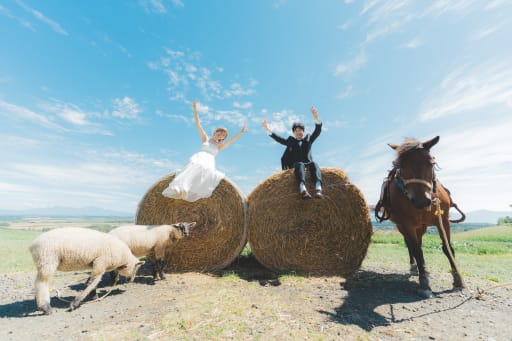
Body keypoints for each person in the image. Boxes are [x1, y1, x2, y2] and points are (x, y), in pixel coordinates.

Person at [162, 100, 247, 201]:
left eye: (223, 134)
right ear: (215, 132)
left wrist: (241, 132)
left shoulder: (220, 146)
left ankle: (190, 190)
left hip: (208, 161)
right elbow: (198, 124)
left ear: (223, 138)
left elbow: (231, 141)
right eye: (219, 132)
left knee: (203, 172)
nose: (220, 134)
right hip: (199, 157)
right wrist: (195, 109)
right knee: (192, 168)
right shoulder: (205, 139)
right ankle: (181, 188)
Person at [262, 106, 323, 199]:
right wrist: (267, 129)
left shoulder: (309, 139)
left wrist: (316, 117)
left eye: (300, 130)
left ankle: (318, 189)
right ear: (294, 132)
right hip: (297, 165)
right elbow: (279, 139)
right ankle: (303, 189)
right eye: (296, 130)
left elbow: (317, 131)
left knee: (314, 164)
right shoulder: (291, 142)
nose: (299, 132)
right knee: (300, 164)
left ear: (303, 131)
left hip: (308, 163)